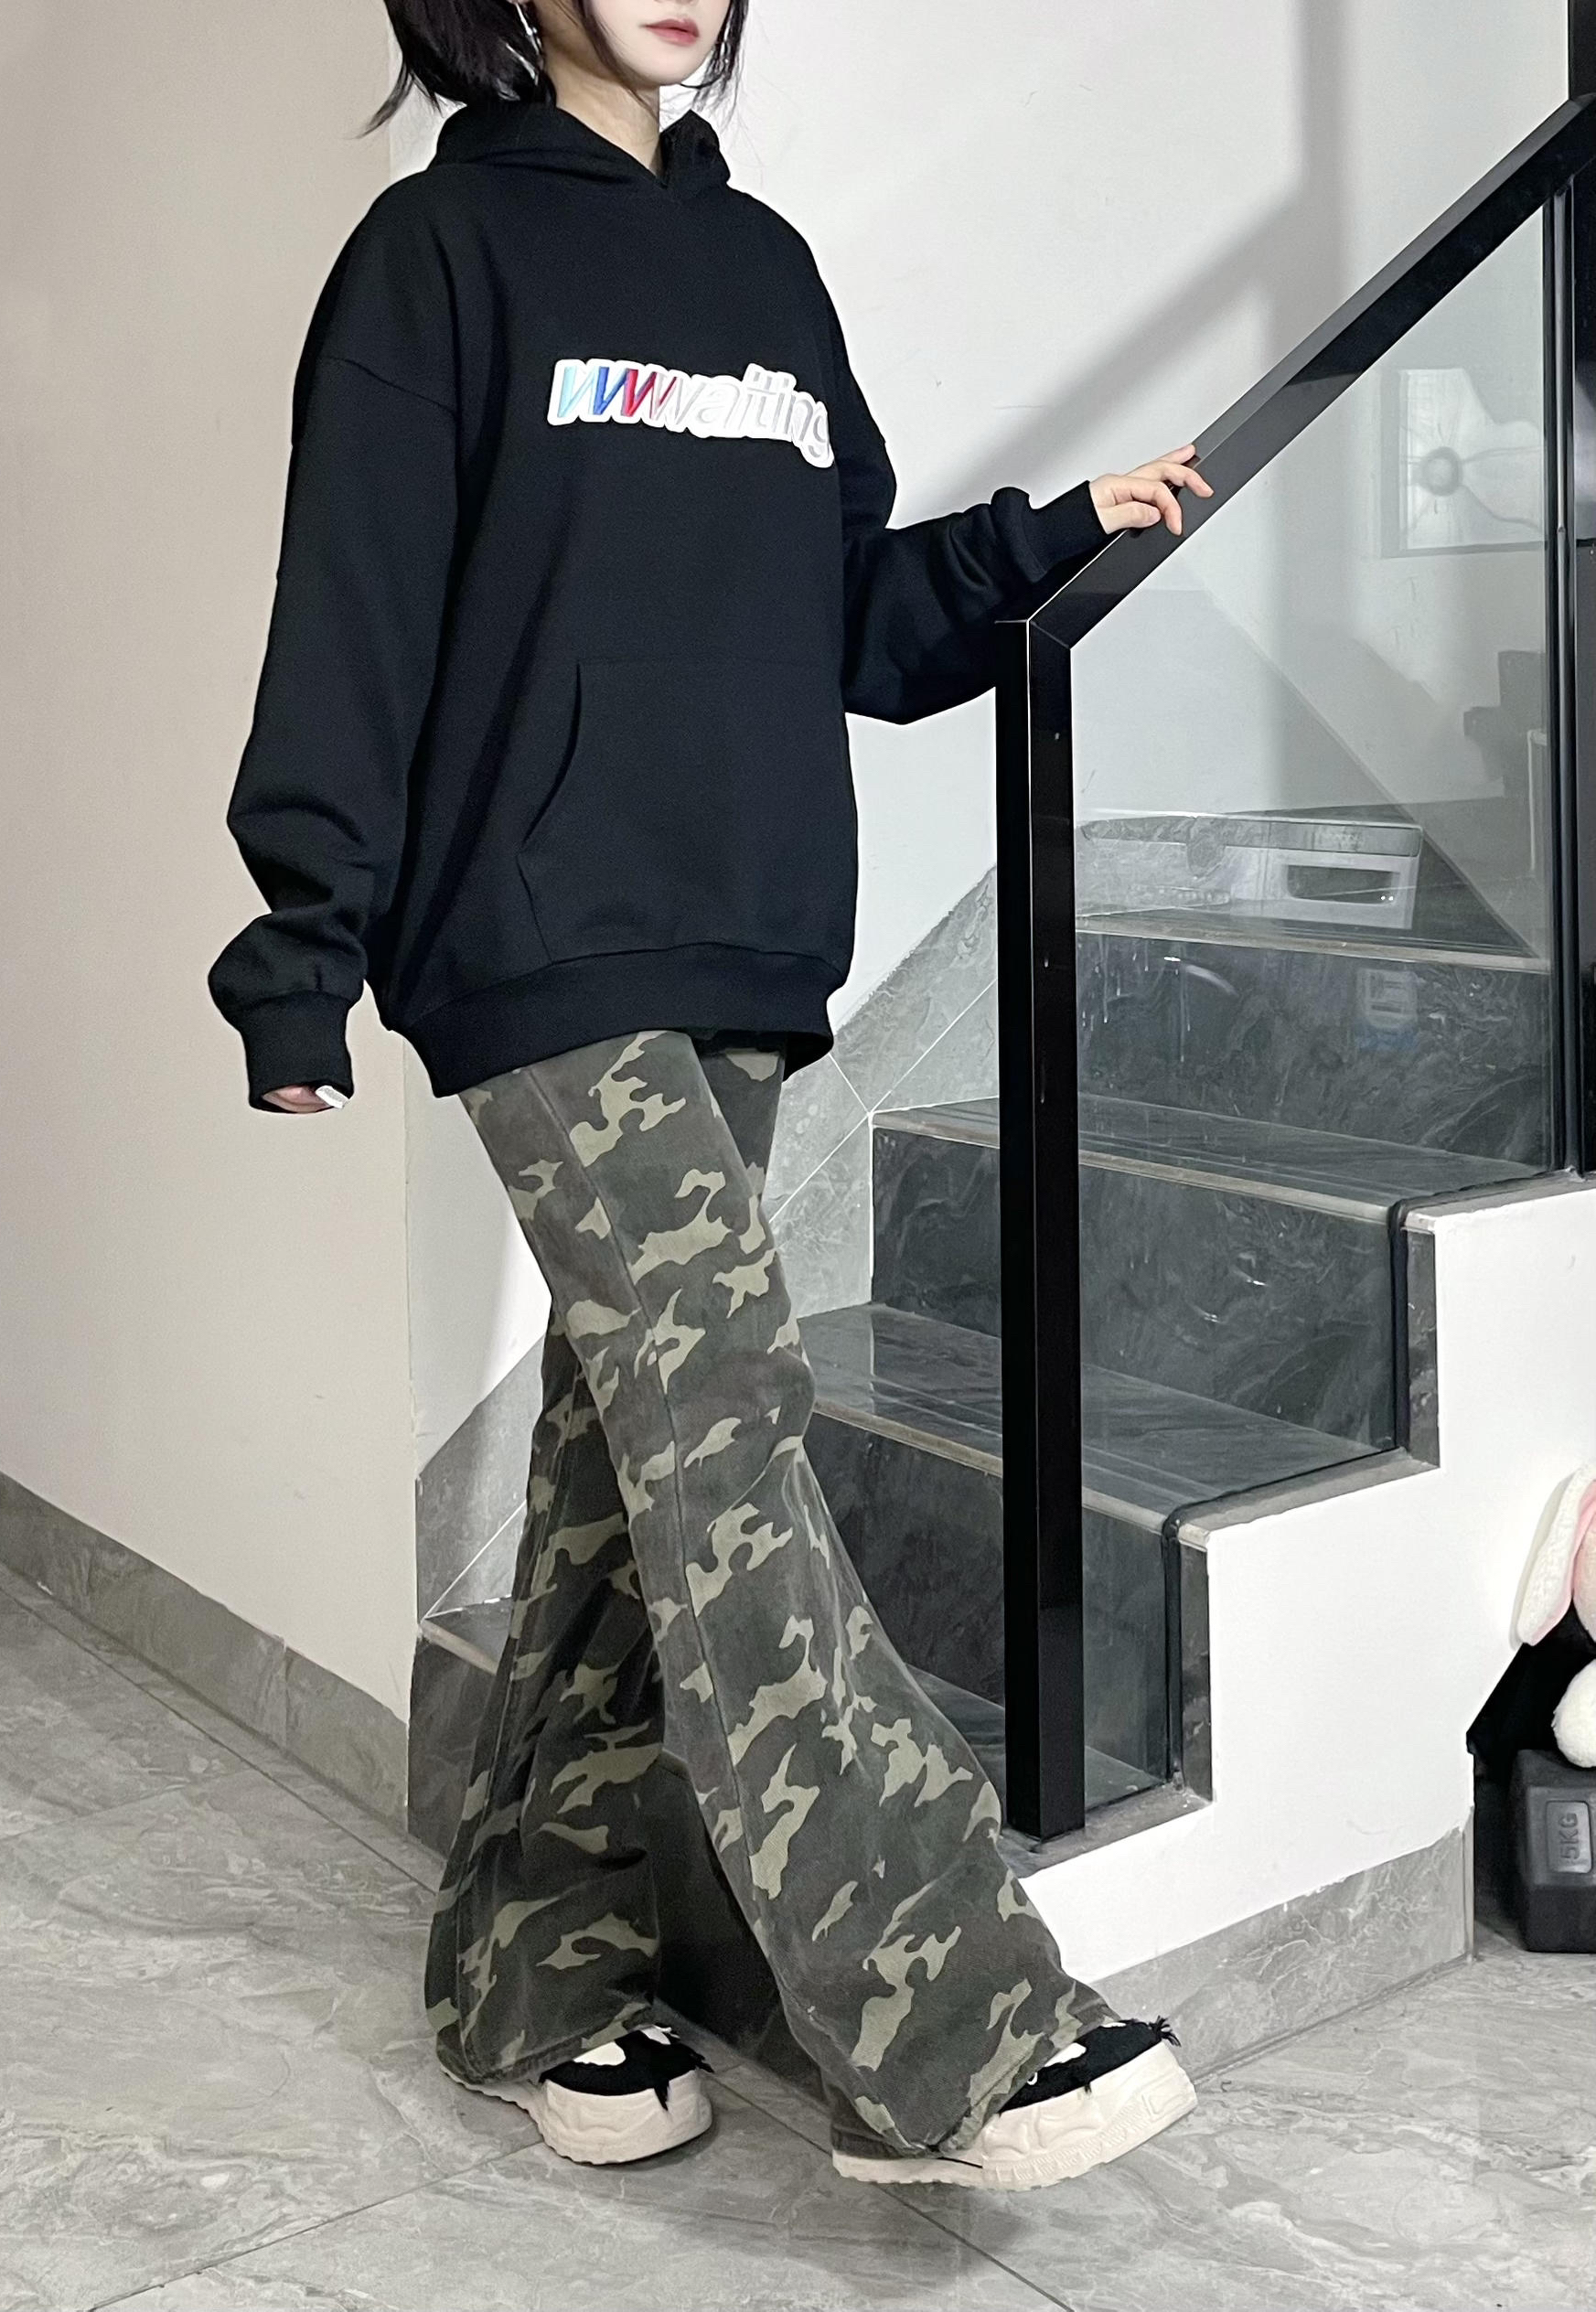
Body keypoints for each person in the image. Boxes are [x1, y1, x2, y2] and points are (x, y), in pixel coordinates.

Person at [208, 0, 1212, 2192]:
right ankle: (949, 2025)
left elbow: (845, 618)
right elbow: (354, 613)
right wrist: (301, 950)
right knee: (733, 1405)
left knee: (622, 1470)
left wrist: (1036, 540)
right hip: (535, 939)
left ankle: (530, 1971)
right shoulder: (437, 260)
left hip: (738, 940)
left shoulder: (761, 269)